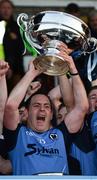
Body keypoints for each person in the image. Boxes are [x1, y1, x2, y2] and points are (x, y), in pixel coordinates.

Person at [3, 42, 88, 175]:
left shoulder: (61, 135)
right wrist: (31, 73)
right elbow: (10, 106)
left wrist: (72, 69)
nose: (42, 109)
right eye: (36, 105)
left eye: (47, 106)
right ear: (27, 112)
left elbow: (82, 107)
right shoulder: (17, 135)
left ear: (51, 114)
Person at [0, 0, 25, 94]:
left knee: (15, 94)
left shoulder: (17, 27)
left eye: (8, 8)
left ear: (12, 10)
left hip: (16, 69)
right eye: (3, 8)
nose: (6, 10)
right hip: (0, 65)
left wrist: (11, 66)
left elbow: (21, 49)